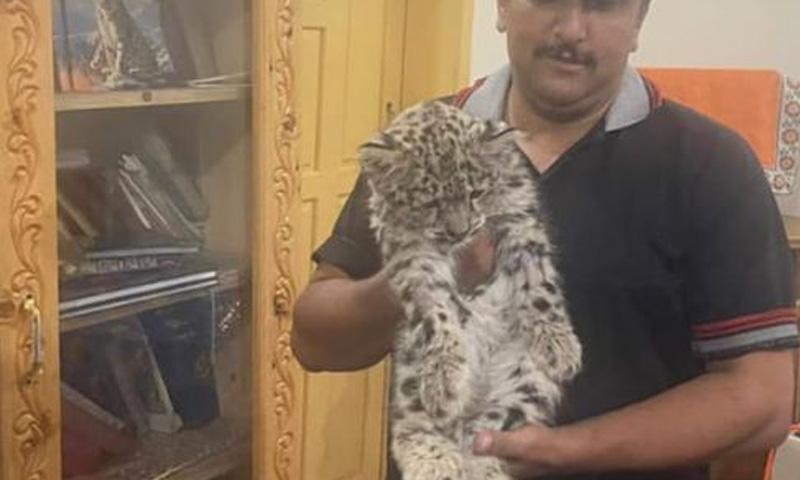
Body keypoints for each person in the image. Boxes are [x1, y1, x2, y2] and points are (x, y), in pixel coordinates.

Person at [291, 0, 800, 478]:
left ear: (639, 19)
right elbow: (314, 342)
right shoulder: (421, 145)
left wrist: (560, 451)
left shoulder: (709, 165)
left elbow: (762, 401)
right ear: (502, 7)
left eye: (602, 4)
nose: (572, 30)